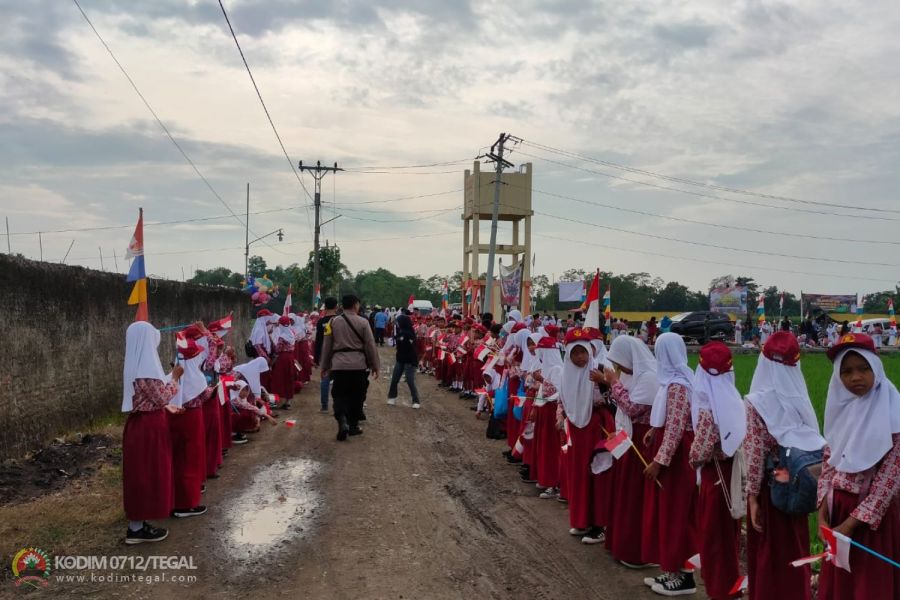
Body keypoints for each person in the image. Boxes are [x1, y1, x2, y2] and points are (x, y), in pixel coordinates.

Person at [817, 334, 900, 599]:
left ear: (876, 367)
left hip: (873, 520)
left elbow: (888, 480)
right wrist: (822, 514)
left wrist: (850, 526)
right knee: (841, 584)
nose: (856, 377)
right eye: (847, 371)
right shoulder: (841, 412)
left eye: (864, 369)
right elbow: (829, 465)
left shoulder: (893, 414)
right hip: (838, 511)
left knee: (869, 585)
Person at [744, 331, 824, 600]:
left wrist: (752, 497)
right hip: (795, 484)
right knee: (794, 544)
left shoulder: (757, 402)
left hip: (771, 487)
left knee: (770, 549)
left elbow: (755, 454)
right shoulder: (800, 397)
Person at [689, 342, 747, 600]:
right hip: (732, 473)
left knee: (713, 537)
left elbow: (699, 450)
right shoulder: (734, 398)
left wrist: (692, 459)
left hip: (715, 477)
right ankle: (730, 585)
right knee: (729, 536)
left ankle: (719, 589)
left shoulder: (706, 404)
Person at [643, 332, 698, 596]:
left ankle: (684, 577)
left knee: (678, 514)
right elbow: (669, 419)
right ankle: (671, 569)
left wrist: (658, 462)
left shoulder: (678, 386)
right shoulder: (674, 382)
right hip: (673, 449)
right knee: (670, 513)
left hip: (677, 456)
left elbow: (676, 428)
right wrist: (655, 430)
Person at [600, 335, 659, 569]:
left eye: (620, 361)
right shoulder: (630, 374)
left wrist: (613, 382)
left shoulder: (649, 377)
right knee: (624, 491)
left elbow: (633, 408)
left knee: (636, 495)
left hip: (643, 441)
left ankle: (638, 551)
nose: (619, 367)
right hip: (627, 437)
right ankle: (620, 543)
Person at [121, 321, 182, 544]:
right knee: (147, 476)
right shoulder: (145, 369)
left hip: (142, 426)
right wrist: (175, 378)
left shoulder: (138, 364)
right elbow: (162, 396)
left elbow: (153, 392)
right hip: (149, 428)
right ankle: (136, 529)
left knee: (142, 475)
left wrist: (168, 378)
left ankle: (138, 523)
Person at [321, 295, 380, 441]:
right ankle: (353, 426)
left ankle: (341, 419)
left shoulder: (332, 322)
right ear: (355, 305)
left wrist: (325, 365)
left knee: (339, 394)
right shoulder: (363, 322)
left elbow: (327, 346)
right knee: (357, 395)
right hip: (358, 366)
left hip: (339, 365)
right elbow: (370, 345)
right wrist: (375, 365)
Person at [167, 339, 209, 519]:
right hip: (191, 418)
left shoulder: (174, 375)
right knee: (190, 459)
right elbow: (207, 395)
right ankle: (186, 503)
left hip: (176, 417)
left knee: (178, 458)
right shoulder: (195, 377)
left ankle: (175, 499)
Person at [387, 313, 421, 408]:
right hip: (400, 360)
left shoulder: (410, 334)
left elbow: (412, 348)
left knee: (410, 381)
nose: (397, 324)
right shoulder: (399, 333)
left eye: (399, 322)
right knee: (394, 379)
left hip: (410, 361)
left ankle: (416, 401)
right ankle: (391, 397)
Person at [314, 297, 338, 413]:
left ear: (325, 307)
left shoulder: (321, 322)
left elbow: (318, 342)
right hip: (338, 354)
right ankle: (339, 405)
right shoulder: (339, 320)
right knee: (339, 380)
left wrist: (316, 358)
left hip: (325, 354)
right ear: (336, 306)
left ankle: (324, 406)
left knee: (325, 379)